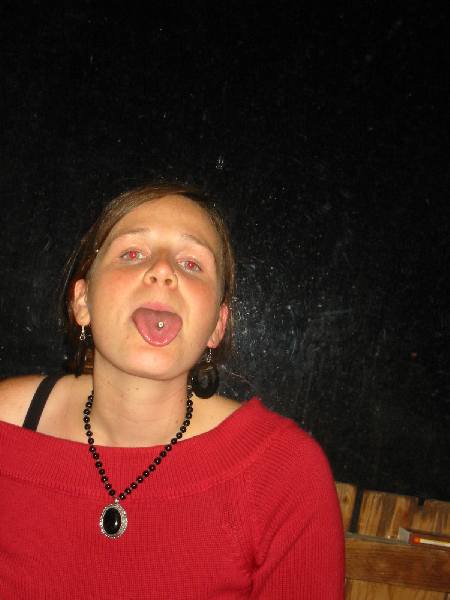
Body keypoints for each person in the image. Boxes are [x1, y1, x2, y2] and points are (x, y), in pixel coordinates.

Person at [0, 183, 344, 599]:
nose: (163, 271)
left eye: (191, 263)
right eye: (132, 254)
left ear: (217, 325)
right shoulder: (7, 429)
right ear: (83, 301)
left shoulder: (285, 473)